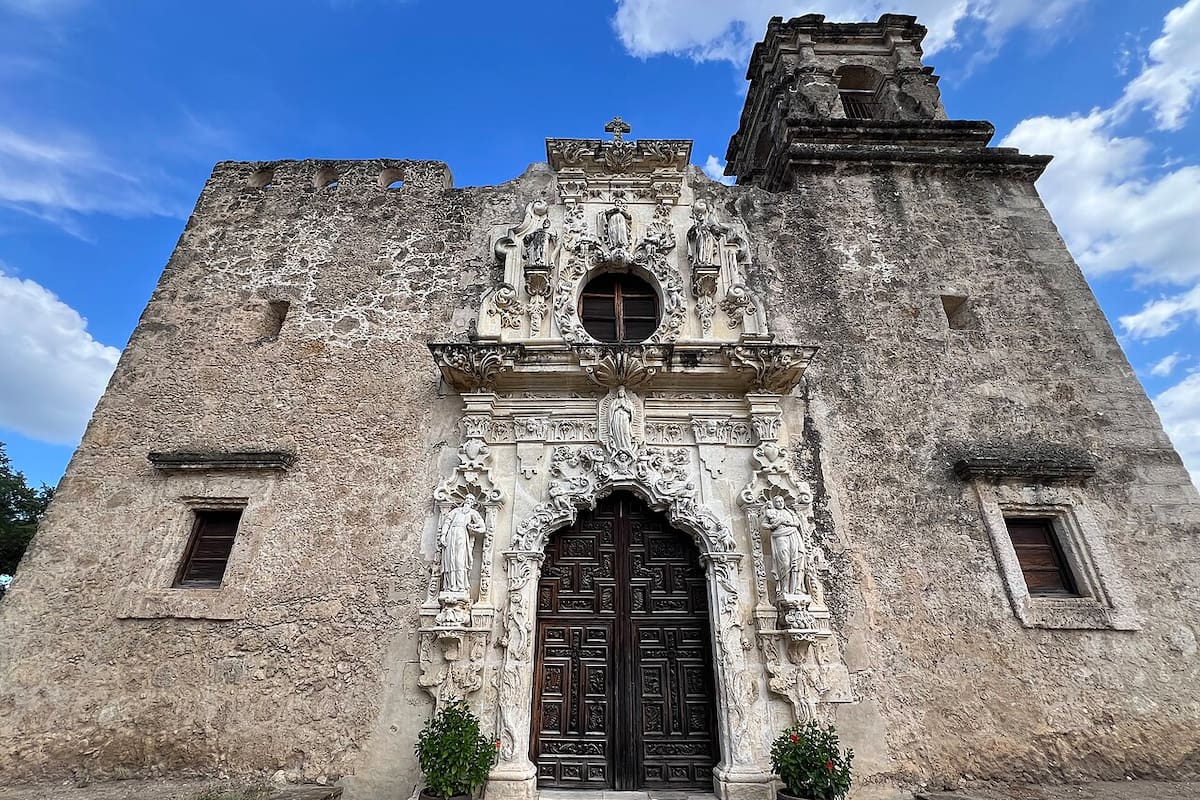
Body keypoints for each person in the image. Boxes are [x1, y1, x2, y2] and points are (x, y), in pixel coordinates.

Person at [439, 496, 486, 594]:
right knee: (449, 560)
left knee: (459, 560)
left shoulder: (473, 513)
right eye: (467, 498)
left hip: (462, 535)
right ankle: (450, 586)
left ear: (473, 503)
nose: (468, 500)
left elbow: (483, 528)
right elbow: (447, 522)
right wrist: (443, 535)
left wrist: (473, 528)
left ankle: (461, 586)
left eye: (471, 499)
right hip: (451, 535)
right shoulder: (456, 511)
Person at [761, 496, 806, 597]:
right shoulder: (772, 513)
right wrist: (772, 526)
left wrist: (789, 523)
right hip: (780, 536)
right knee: (784, 563)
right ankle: (784, 588)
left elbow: (797, 523)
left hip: (793, 535)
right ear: (774, 503)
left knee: (796, 561)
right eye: (777, 501)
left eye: (781, 501)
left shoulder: (789, 512)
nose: (780, 503)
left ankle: (795, 588)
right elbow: (764, 525)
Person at [609, 386, 635, 452]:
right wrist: (617, 406)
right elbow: (611, 410)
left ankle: (627, 446)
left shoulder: (627, 401)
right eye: (619, 392)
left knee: (625, 432)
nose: (621, 393)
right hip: (616, 418)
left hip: (625, 418)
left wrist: (624, 407)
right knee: (617, 432)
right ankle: (618, 446)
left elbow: (632, 410)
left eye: (622, 392)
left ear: (624, 393)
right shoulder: (615, 401)